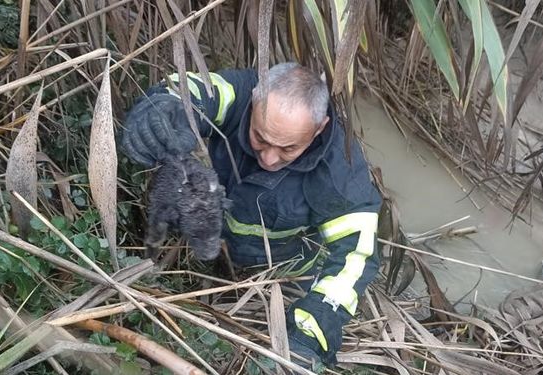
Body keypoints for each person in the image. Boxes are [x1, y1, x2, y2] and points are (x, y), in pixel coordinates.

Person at [122, 62, 382, 366]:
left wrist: (313, 325)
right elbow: (187, 88)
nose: (269, 158)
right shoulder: (240, 92)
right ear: (255, 98)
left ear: (319, 128)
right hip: (207, 249)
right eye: (260, 137)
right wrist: (162, 110)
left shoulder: (342, 175)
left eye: (287, 149)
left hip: (278, 277)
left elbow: (357, 256)